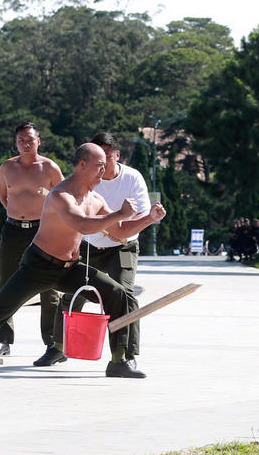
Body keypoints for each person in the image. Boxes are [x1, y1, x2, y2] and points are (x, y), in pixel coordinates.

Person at [0, 143, 163, 378]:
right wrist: (119, 213)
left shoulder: (95, 199)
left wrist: (149, 219)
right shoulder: (61, 195)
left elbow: (120, 232)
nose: (105, 170)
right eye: (99, 165)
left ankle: (119, 360)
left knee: (118, 294)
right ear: (82, 165)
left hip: (70, 268)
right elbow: (82, 225)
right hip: (39, 265)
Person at [46, 132, 166, 369]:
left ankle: (123, 356)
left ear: (117, 156)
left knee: (124, 295)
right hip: (90, 246)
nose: (101, 166)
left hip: (123, 246)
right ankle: (58, 347)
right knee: (72, 294)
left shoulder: (132, 179)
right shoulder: (88, 179)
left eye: (106, 158)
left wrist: (150, 218)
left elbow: (139, 219)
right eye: (97, 159)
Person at [0, 122, 64, 357]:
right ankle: (3, 340)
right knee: (6, 285)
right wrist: (19, 216)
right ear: (15, 142)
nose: (25, 144)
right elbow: (4, 197)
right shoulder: (7, 167)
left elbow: (64, 199)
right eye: (21, 141)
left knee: (48, 287)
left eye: (30, 140)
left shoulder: (50, 168)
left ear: (39, 141)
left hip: (42, 230)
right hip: (13, 230)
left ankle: (52, 342)